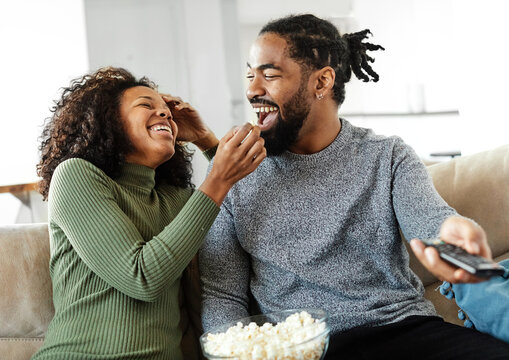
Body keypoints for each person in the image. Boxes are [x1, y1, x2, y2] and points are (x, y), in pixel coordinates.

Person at [199, 14, 509, 359]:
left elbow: (433, 223)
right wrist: (233, 351)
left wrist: (455, 230)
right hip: (309, 348)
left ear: (322, 82)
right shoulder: (230, 175)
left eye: (269, 74)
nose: (252, 88)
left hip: (405, 330)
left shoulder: (387, 156)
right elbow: (222, 295)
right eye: (250, 74)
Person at [31, 67, 266, 360]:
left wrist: (205, 139)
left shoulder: (176, 199)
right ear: (110, 121)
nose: (166, 114)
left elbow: (247, 204)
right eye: (146, 105)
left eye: (166, 110)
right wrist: (217, 178)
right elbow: (141, 277)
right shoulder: (76, 176)